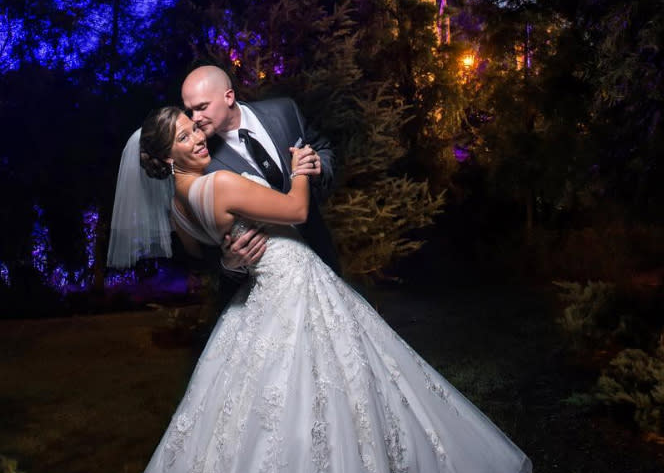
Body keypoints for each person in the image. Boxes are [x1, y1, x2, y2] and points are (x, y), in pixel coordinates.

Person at [129, 106, 532, 473]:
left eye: (193, 127)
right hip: (292, 284)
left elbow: (202, 251)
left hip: (261, 290)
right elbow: (296, 210)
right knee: (328, 384)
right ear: (167, 158)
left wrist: (227, 260)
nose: (198, 137)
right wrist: (301, 169)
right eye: (184, 137)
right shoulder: (217, 184)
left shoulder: (177, 208)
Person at [181, 65, 340, 275]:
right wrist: (228, 263)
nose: (195, 117)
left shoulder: (284, 110)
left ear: (228, 97)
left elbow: (322, 147)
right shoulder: (201, 163)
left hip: (321, 253)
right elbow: (204, 241)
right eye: (190, 110)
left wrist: (320, 167)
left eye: (202, 107)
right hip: (268, 278)